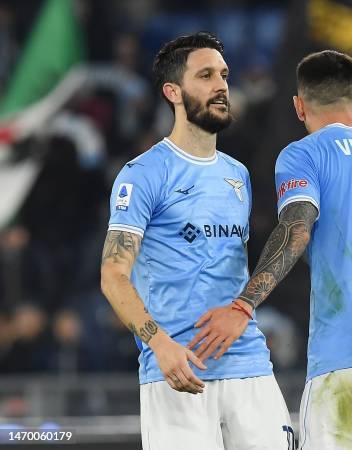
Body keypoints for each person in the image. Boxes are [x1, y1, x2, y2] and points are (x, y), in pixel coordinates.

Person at [188, 50, 352, 449]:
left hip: (350, 352)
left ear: (298, 106)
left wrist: (243, 305)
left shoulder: (303, 154)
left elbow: (296, 231)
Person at [100, 31, 293, 450]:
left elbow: (232, 269)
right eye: (205, 75)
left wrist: (243, 308)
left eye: (223, 74)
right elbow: (113, 275)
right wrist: (159, 343)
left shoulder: (237, 174)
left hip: (250, 366)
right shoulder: (143, 173)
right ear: (173, 91)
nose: (221, 85)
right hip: (178, 372)